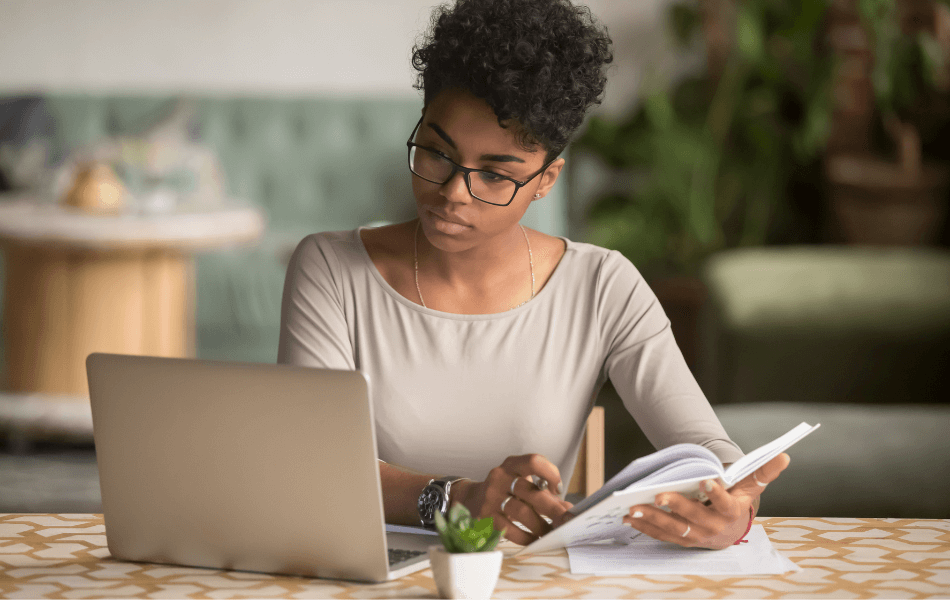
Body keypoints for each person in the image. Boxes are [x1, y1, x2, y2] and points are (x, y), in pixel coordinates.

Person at [278, 0, 789, 549]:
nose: (452, 192)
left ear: (547, 180)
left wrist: (736, 507)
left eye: (496, 174)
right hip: (367, 576)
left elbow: (705, 445)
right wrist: (455, 500)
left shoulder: (602, 286)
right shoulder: (330, 270)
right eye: (435, 152)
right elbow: (310, 460)